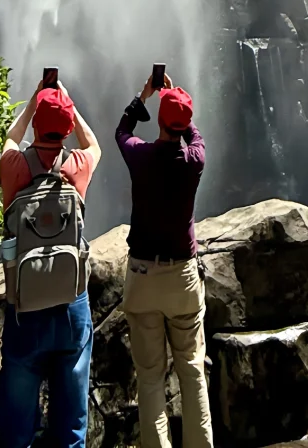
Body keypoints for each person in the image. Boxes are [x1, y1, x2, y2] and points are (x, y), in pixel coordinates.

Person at [0, 79, 102, 448]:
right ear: (68, 127)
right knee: (72, 425)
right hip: (71, 307)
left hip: (25, 309)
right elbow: (95, 146)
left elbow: (9, 140)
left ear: (37, 125)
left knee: (17, 429)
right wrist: (68, 104)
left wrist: (31, 107)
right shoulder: (76, 166)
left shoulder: (13, 167)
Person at [115, 73, 213, 448]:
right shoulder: (194, 160)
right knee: (192, 371)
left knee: (151, 377)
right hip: (183, 279)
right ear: (186, 124)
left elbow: (122, 131)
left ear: (158, 121)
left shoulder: (140, 155)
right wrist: (177, 102)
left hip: (142, 276)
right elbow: (196, 137)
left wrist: (145, 95)